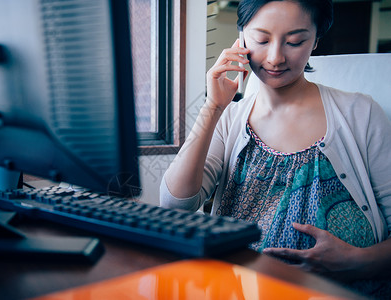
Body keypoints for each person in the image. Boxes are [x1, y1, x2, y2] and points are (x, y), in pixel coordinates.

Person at [160, 0, 391, 297]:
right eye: (262, 39)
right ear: (241, 35)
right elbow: (174, 206)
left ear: (316, 39)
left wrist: (356, 262)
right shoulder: (229, 118)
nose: (275, 57)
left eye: (295, 41)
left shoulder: (361, 113)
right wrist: (212, 107)